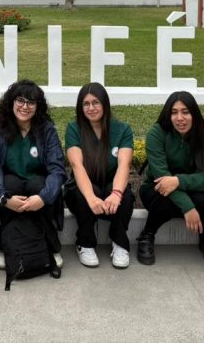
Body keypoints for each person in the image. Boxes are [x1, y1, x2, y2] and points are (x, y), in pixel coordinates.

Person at [0, 80, 66, 271]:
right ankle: (5, 246)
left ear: (38, 107)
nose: (24, 107)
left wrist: (43, 198)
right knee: (10, 184)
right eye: (20, 100)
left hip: (37, 187)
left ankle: (50, 247)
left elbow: (57, 168)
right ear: (11, 102)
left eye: (31, 102)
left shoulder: (46, 129)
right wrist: (3, 196)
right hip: (8, 187)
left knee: (38, 185)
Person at [136, 91, 204, 266]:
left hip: (188, 188)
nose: (180, 118)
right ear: (168, 114)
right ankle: (147, 235)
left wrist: (177, 181)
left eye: (185, 112)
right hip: (154, 189)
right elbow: (160, 177)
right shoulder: (156, 133)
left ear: (194, 114)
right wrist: (188, 208)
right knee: (165, 197)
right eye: (174, 112)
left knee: (201, 198)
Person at [63, 82, 135, 268]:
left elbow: (124, 164)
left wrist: (116, 194)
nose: (91, 108)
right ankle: (84, 243)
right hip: (83, 187)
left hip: (111, 185)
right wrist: (91, 197)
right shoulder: (74, 129)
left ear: (105, 104)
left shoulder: (122, 129)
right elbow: (76, 165)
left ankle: (120, 243)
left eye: (96, 102)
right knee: (85, 191)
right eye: (85, 104)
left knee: (124, 193)